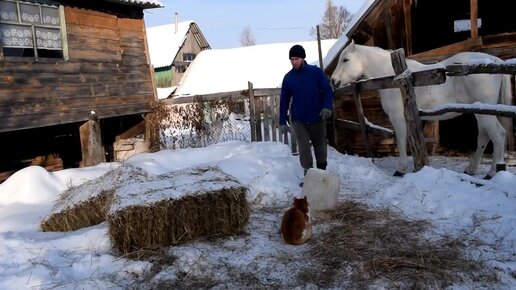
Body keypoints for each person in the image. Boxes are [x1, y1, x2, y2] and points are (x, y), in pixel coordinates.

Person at [279, 44, 334, 182]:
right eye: (291, 59)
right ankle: (308, 176)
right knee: (303, 146)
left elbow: (327, 90)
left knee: (319, 144)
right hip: (298, 118)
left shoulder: (315, 72)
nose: (294, 62)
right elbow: (284, 101)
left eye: (296, 58)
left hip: (317, 115)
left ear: (303, 58)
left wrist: (327, 107)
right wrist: (281, 122)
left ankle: (321, 173)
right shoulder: (288, 78)